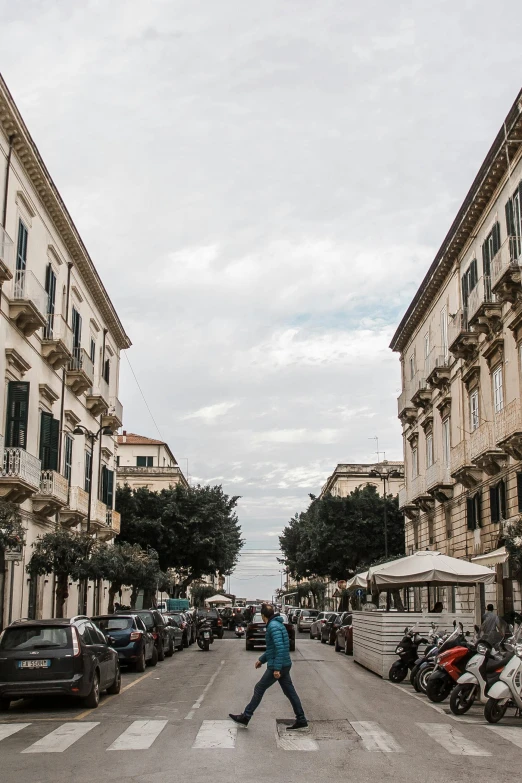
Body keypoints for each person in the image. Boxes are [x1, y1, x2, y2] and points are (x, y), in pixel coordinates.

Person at [229, 603, 308, 731]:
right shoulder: (277, 624)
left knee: (259, 688)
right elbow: (273, 648)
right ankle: (301, 718)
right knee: (290, 692)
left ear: (264, 616)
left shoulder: (273, 626)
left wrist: (277, 668)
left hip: (279, 665)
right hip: (284, 664)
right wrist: (261, 660)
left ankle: (246, 716)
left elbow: (279, 648)